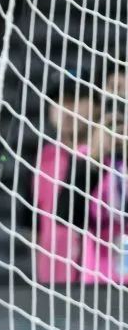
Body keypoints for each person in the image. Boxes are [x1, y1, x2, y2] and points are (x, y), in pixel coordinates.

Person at [35, 66, 128, 283]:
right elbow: (67, 215)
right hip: (97, 285)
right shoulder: (86, 156)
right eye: (115, 89)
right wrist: (96, 158)